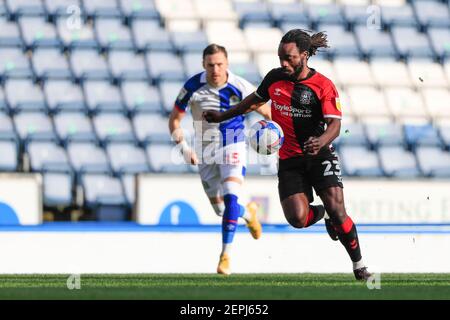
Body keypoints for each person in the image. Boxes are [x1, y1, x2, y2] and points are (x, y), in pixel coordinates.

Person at [203, 30, 371, 281]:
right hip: (290, 160)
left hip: (319, 155)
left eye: (289, 58)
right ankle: (322, 214)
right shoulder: (274, 78)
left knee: (339, 211)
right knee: (297, 218)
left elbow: (335, 125)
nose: (283, 63)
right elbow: (250, 103)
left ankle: (360, 267)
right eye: (281, 57)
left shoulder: (323, 86)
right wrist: (222, 116)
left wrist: (321, 141)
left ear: (304, 56)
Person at [168, 44, 271, 275]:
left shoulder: (240, 85)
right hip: (204, 150)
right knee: (221, 210)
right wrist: (183, 148)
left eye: (220, 64)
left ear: (227, 64)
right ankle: (249, 213)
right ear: (204, 65)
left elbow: (267, 113)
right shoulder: (193, 86)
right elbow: (174, 120)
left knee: (231, 197)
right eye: (211, 64)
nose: (215, 69)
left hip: (233, 142)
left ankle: (225, 256)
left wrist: (274, 136)